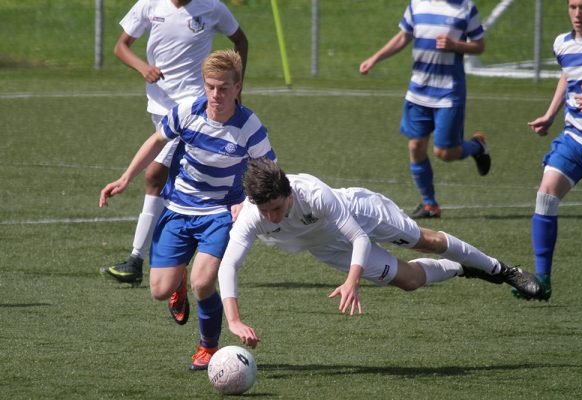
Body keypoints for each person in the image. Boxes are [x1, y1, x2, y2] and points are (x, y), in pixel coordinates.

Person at [217, 158, 540, 348]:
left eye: (276, 208)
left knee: (425, 241)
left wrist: (352, 282)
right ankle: (461, 268)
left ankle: (502, 270)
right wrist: (234, 320)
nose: (271, 217)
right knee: (410, 281)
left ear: (288, 193)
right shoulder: (252, 215)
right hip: (326, 246)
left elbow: (357, 237)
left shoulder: (313, 193)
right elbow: (228, 266)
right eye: (265, 211)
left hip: (361, 214)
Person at [99, 50, 276, 369]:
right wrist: (126, 177)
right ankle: (175, 279)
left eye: (223, 88)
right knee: (158, 290)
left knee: (203, 282)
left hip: (220, 214)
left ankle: (208, 346)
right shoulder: (188, 112)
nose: (215, 95)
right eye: (210, 86)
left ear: (238, 88)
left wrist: (246, 202)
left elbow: (269, 171)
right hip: (179, 208)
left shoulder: (249, 126)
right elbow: (156, 140)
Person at [101, 0, 248, 286]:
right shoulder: (149, 5)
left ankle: (137, 259)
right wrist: (144, 68)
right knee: (177, 181)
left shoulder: (211, 7)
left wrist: (237, 85)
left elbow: (240, 39)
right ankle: (180, 259)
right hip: (159, 106)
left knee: (155, 175)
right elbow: (121, 47)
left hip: (192, 106)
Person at [359, 0, 490, 219]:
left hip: (449, 91)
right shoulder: (417, 5)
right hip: (418, 90)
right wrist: (375, 58)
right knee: (415, 146)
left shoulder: (466, 7)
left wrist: (456, 45)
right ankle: (430, 204)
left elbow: (479, 45)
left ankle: (477, 146)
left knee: (445, 153)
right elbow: (403, 36)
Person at [514, 0, 582, 301]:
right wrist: (550, 114)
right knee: (546, 194)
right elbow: (567, 76)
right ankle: (541, 281)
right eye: (573, 7)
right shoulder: (562, 44)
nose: (578, 14)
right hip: (575, 140)